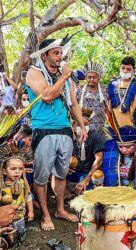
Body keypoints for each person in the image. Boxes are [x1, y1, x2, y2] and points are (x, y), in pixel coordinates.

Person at [26, 38, 87, 231]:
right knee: (42, 176)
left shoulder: (65, 77)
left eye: (61, 53)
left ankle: (60, 209)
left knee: (61, 174)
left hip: (64, 130)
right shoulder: (33, 73)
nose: (60, 56)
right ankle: (45, 214)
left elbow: (73, 104)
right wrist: (64, 76)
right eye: (55, 53)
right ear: (44, 55)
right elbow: (47, 95)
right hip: (44, 129)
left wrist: (81, 126)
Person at [66, 107, 105, 196]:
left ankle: (79, 188)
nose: (83, 127)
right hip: (72, 171)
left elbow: (98, 160)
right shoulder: (68, 136)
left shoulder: (96, 137)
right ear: (73, 125)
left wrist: (86, 180)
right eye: (79, 125)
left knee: (97, 177)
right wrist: (65, 168)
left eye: (86, 124)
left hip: (87, 173)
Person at [0, 144, 34, 242]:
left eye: (20, 168)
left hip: (20, 216)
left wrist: (30, 211)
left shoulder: (23, 183)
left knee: (20, 233)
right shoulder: (2, 186)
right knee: (8, 236)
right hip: (5, 218)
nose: (17, 172)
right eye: (13, 169)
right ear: (4, 171)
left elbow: (28, 197)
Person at [107, 56, 136, 127]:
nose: (125, 71)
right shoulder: (112, 84)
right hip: (115, 125)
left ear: (133, 70)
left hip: (132, 125)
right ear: (120, 68)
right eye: (123, 68)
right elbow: (109, 105)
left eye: (128, 69)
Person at [79, 61, 107, 133]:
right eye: (89, 77)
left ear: (99, 78)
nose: (91, 79)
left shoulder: (105, 90)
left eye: (94, 77)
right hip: (84, 129)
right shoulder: (80, 90)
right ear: (86, 78)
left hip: (101, 129)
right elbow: (74, 107)